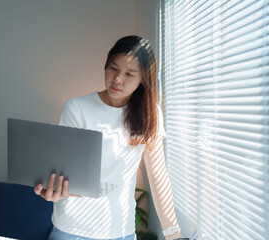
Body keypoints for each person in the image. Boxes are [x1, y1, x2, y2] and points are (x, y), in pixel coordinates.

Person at [34, 35, 182, 240]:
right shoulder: (77, 108)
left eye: (129, 74)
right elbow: (64, 171)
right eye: (113, 68)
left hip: (120, 231)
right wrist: (55, 190)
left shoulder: (150, 114)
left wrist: (173, 233)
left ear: (143, 80)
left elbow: (158, 176)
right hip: (71, 230)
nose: (117, 79)